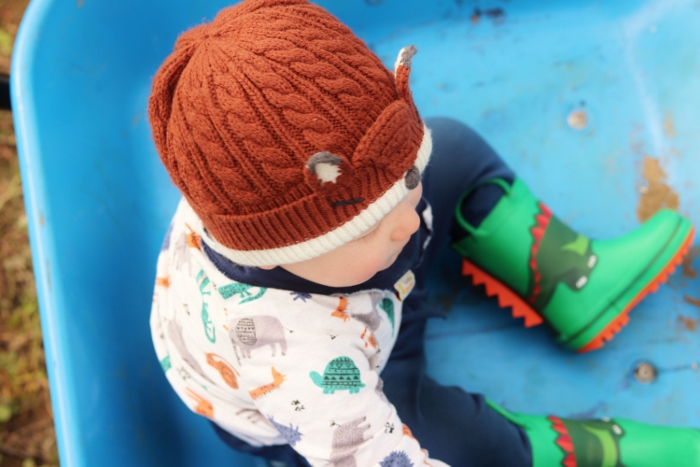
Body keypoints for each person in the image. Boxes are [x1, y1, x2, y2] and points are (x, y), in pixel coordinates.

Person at [148, 0, 699, 465]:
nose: (408, 222)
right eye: (363, 229)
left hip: (372, 296)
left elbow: (374, 191)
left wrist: (386, 209)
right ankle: (559, 448)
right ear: (275, 254)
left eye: (406, 179)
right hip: (346, 382)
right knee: (460, 442)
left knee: (451, 145)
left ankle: (574, 281)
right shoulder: (297, 363)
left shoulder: (239, 176)